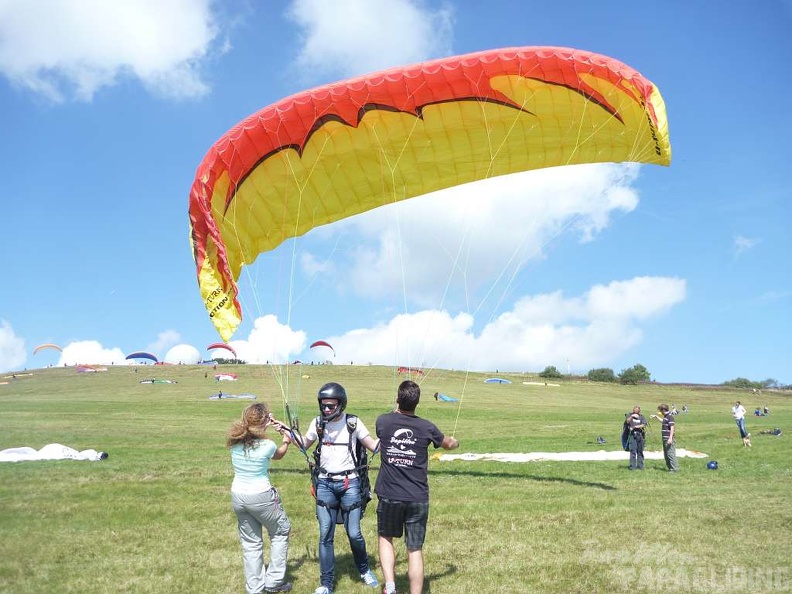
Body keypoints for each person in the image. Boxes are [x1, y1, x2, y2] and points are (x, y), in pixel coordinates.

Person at [374, 380, 460, 594]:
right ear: (418, 402)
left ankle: (391, 587)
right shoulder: (427, 427)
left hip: (390, 494)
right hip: (417, 497)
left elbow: (386, 427)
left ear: (397, 399)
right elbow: (447, 444)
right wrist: (455, 442)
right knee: (414, 549)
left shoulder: (383, 422)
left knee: (386, 537)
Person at [302, 382, 381, 594]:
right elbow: (304, 444)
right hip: (325, 484)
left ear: (341, 405)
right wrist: (286, 432)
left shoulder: (353, 423)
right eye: (323, 405)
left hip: (350, 484)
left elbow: (373, 446)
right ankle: (326, 584)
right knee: (325, 533)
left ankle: (364, 569)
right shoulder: (318, 423)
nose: (326, 409)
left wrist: (390, 431)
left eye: (331, 406)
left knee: (354, 533)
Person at [226, 403, 294, 594]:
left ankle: (255, 588)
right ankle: (273, 582)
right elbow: (278, 455)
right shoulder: (268, 445)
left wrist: (265, 421)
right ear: (264, 421)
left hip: (238, 496)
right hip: (261, 496)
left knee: (251, 543)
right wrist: (286, 440)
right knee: (281, 531)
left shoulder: (234, 442)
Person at [655, 403, 678, 472]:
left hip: (669, 438)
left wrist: (670, 438)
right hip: (664, 438)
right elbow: (663, 421)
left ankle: (674, 469)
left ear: (663, 410)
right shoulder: (666, 416)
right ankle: (670, 468)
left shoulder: (670, 417)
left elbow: (672, 428)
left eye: (660, 411)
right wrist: (656, 417)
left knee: (670, 454)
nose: (660, 412)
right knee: (666, 454)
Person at [626, 405, 647, 470]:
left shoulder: (642, 417)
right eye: (635, 411)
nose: (636, 412)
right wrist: (632, 416)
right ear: (633, 410)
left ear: (639, 411)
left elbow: (644, 424)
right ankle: (632, 467)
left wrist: (635, 427)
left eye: (637, 411)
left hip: (640, 435)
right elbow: (627, 422)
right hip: (632, 435)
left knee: (640, 451)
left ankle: (640, 466)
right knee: (633, 451)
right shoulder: (629, 415)